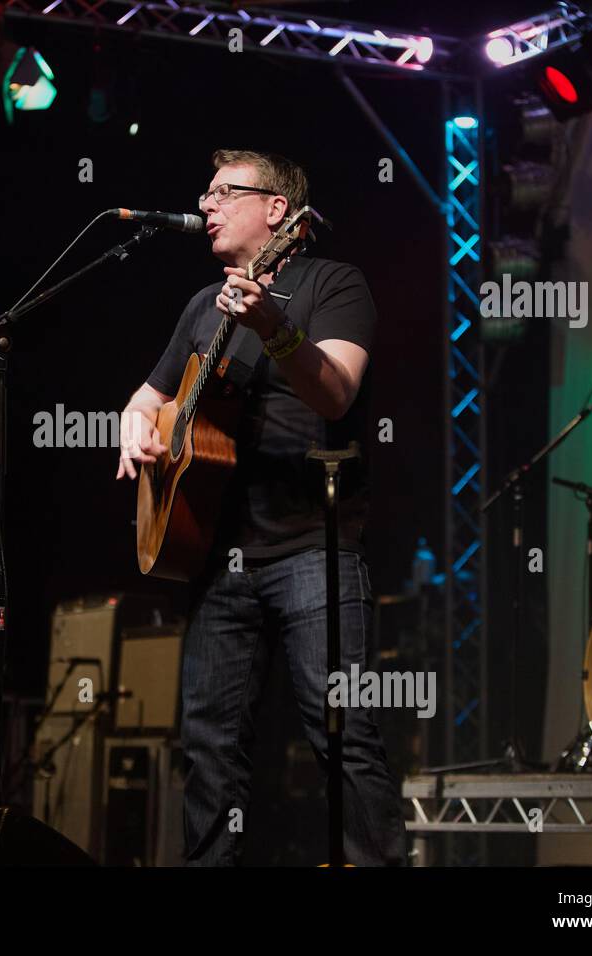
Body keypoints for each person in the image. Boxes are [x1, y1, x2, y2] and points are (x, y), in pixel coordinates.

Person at [116, 149, 407, 866]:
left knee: (342, 733)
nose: (206, 205)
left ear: (278, 211)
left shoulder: (334, 283)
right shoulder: (200, 305)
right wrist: (133, 422)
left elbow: (336, 391)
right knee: (210, 746)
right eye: (205, 193)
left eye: (224, 193)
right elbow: (150, 397)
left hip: (313, 548)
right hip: (218, 558)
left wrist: (275, 327)